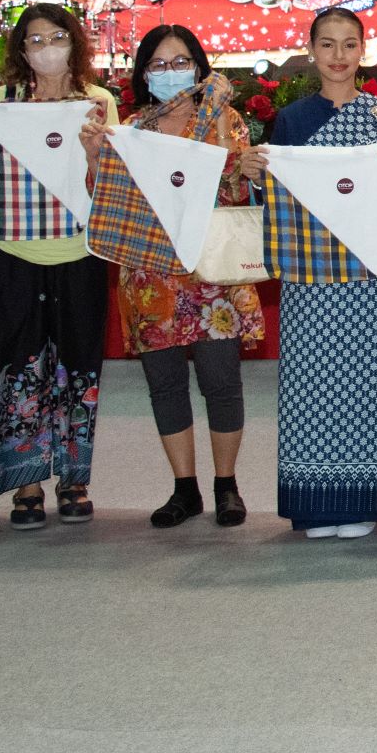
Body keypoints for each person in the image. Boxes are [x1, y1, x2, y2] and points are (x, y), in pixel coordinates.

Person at [245, 8, 377, 539]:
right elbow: (278, 197)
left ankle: (362, 498)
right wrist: (256, 176)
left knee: (362, 384)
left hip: (364, 272)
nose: (338, 56)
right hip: (308, 273)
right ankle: (315, 505)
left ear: (363, 50)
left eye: (349, 44)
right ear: (311, 50)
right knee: (311, 386)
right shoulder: (292, 119)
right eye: (327, 44)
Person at [87, 26, 262, 530]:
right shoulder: (131, 130)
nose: (171, 73)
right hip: (151, 275)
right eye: (159, 65)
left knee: (221, 384)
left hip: (212, 274)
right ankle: (184, 488)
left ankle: (226, 485)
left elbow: (235, 194)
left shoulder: (226, 119)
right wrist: (95, 156)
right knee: (165, 387)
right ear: (144, 74)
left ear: (199, 67)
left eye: (181, 62)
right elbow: (107, 203)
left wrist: (239, 161)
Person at [0, 2, 118, 530]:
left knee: (79, 366)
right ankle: (26, 481)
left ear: (75, 43)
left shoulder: (98, 102)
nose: (48, 49)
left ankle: (73, 480)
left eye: (57, 37)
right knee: (18, 366)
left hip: (80, 254)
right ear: (21, 50)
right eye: (36, 40)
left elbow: (113, 185)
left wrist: (94, 151)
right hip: (15, 256)